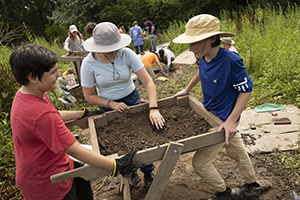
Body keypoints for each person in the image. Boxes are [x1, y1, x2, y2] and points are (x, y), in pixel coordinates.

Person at [9, 44, 142, 200]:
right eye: (53, 72)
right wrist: (116, 165)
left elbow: (55, 114)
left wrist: (81, 114)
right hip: (47, 184)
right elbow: (74, 150)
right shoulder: (42, 115)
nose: (59, 75)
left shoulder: (28, 93)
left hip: (57, 165)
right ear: (33, 77)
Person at [172, 14, 261, 200]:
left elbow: (246, 90)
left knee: (200, 163)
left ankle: (223, 192)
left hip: (224, 119)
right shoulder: (202, 56)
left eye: (195, 42)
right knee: (235, 149)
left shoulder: (231, 60)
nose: (190, 48)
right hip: (211, 113)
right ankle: (252, 186)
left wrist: (230, 121)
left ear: (213, 38)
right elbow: (200, 70)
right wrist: (187, 88)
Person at [81, 22, 166, 189]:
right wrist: (111, 104)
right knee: (120, 144)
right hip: (107, 105)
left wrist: (153, 107)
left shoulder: (126, 54)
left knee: (143, 140)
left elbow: (148, 81)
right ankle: (131, 172)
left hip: (131, 98)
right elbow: (89, 95)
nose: (113, 50)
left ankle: (148, 172)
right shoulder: (88, 63)